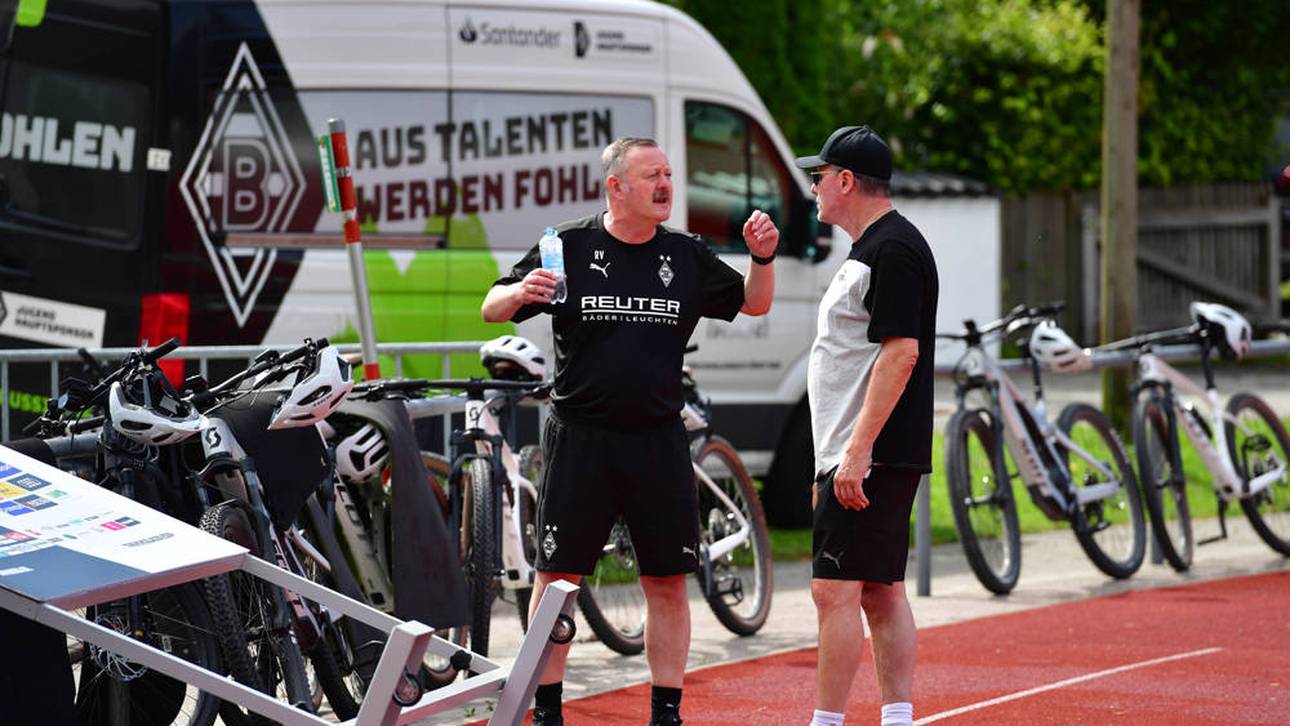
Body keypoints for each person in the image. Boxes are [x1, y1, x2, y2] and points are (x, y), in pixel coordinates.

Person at [481, 136, 780, 726]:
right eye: (651, 176)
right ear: (616, 186)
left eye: (668, 174)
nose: (665, 184)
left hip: (657, 442)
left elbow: (754, 303)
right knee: (558, 579)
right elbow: (492, 307)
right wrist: (518, 292)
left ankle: (666, 712)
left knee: (667, 582)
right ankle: (547, 710)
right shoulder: (568, 244)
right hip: (581, 439)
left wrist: (762, 259)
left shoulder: (685, 254)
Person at [796, 126, 938, 726]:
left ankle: (827, 721)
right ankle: (895, 718)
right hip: (855, 450)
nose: (814, 188)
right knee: (879, 589)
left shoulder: (894, 249)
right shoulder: (873, 248)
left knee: (835, 590)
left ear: (847, 181)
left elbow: (901, 354)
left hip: (870, 453)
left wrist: (855, 454)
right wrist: (830, 460)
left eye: (819, 176)